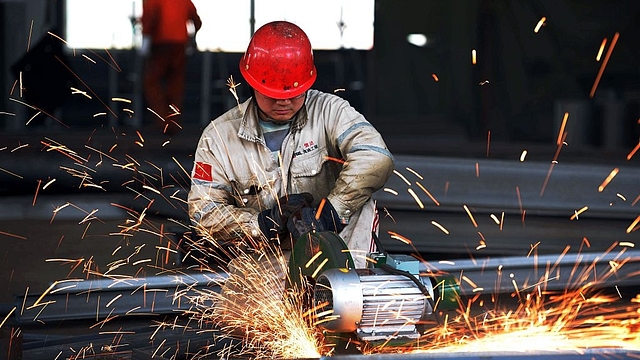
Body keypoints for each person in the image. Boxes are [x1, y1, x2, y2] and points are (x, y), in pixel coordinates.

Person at [187, 21, 395, 269]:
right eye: (273, 95)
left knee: (359, 206)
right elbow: (203, 213)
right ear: (253, 84)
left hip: (341, 254)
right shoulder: (220, 136)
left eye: (294, 95)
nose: (283, 103)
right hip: (266, 264)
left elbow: (376, 158)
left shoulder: (330, 112)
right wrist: (263, 224)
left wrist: (331, 212)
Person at [140, 0, 202, 134]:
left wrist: (145, 40)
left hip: (160, 45)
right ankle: (173, 122)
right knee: (175, 85)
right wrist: (192, 38)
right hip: (179, 46)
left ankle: (163, 122)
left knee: (151, 82)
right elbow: (197, 21)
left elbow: (149, 17)